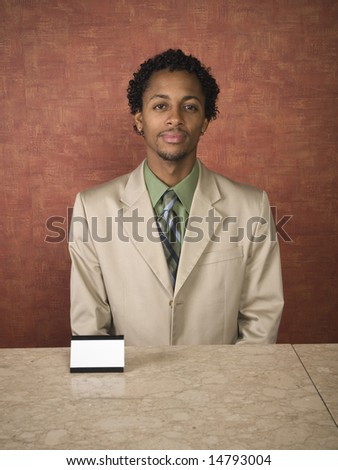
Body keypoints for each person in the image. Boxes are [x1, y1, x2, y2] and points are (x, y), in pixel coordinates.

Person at [69, 49, 284, 345]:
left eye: (190, 107)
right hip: (131, 385)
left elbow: (262, 317)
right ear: (140, 119)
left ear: (205, 121)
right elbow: (89, 323)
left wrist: (232, 388)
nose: (175, 119)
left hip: (220, 386)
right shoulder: (92, 208)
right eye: (160, 106)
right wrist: (112, 389)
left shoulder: (251, 206)